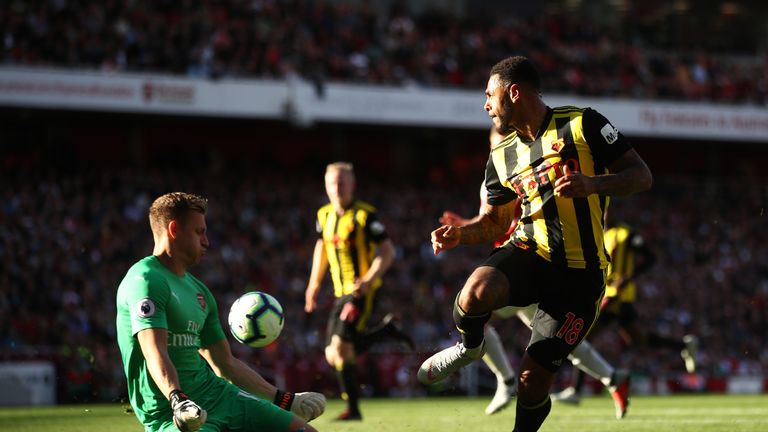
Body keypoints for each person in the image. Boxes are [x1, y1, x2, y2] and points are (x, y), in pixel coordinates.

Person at [417, 55, 652, 432]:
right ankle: (471, 346)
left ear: (513, 93)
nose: (486, 105)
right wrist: (462, 234)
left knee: (531, 382)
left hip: (581, 274)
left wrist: (593, 184)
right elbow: (495, 221)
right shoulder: (501, 155)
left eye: (490, 96)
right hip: (532, 253)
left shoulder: (583, 124)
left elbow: (641, 175)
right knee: (474, 293)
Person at [438, 126, 630, 420]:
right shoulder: (497, 171)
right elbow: (492, 220)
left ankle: (506, 379)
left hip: (533, 264)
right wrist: (464, 226)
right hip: (512, 269)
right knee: (539, 336)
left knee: (542, 339)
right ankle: (612, 377)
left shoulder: (534, 166)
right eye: (495, 145)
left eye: (503, 142)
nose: (500, 148)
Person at [116, 192, 326, 432]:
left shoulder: (200, 292)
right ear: (174, 230)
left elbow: (225, 364)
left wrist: (285, 399)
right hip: (172, 413)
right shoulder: (146, 280)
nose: (207, 241)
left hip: (220, 396)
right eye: (199, 232)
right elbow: (155, 351)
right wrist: (178, 400)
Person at [304, 162, 413, 421]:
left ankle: (353, 410)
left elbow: (388, 252)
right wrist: (313, 284)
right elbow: (321, 248)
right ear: (326, 186)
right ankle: (386, 332)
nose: (337, 187)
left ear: (352, 185)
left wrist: (368, 279)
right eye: (333, 183)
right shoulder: (324, 215)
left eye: (343, 182)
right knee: (335, 354)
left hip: (361, 292)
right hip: (340, 292)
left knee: (340, 347)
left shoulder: (365, 216)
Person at [553, 221, 698, 405]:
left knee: (583, 338)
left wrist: (628, 278)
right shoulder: (602, 235)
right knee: (638, 339)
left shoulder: (625, 234)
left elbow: (651, 257)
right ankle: (683, 346)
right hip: (609, 295)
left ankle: (576, 390)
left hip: (617, 297)